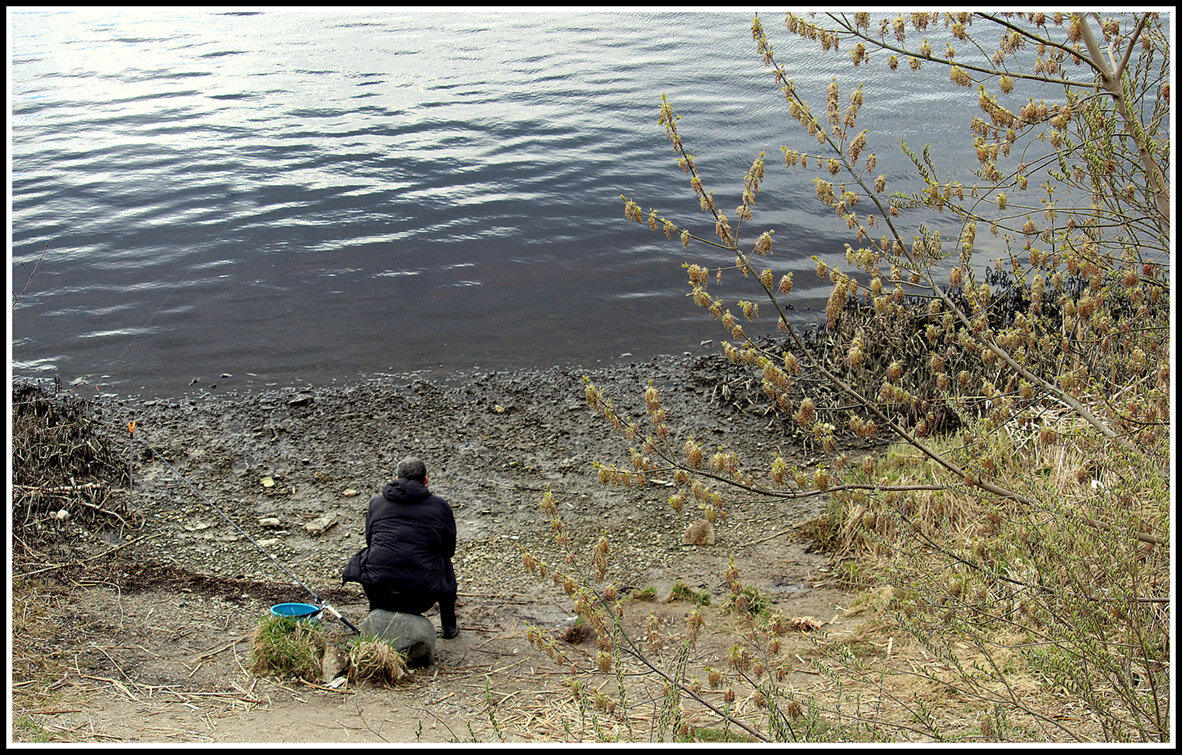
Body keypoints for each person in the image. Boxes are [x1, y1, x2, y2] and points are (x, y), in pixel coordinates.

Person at [343, 457, 459, 638]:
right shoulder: (440, 507)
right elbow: (449, 550)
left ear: (396, 478)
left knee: (373, 554)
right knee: (444, 562)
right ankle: (449, 627)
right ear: (426, 480)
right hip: (421, 599)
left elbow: (370, 540)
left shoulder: (376, 503)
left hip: (379, 594)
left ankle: (375, 618)